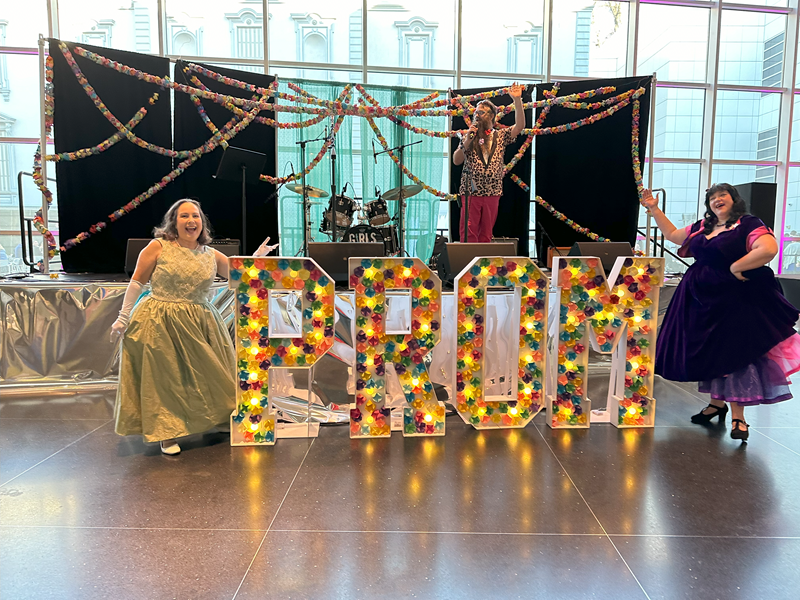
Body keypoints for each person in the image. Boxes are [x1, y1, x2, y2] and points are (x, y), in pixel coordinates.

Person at [111, 199, 277, 455]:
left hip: (200, 320)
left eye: (196, 216)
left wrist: (256, 258)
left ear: (202, 222)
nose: (191, 221)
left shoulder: (210, 254)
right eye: (184, 216)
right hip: (160, 319)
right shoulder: (157, 247)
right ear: (173, 222)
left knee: (211, 373)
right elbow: (136, 283)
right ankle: (167, 431)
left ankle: (218, 417)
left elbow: (239, 273)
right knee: (166, 378)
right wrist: (122, 318)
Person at [643, 184, 800, 441]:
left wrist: (737, 266)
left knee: (734, 353)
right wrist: (654, 208)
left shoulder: (747, 224)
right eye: (712, 198)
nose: (717, 201)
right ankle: (717, 404)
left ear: (733, 199)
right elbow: (672, 234)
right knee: (710, 351)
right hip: (700, 299)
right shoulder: (703, 227)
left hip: (735, 300)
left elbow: (768, 249)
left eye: (722, 196)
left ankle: (739, 416)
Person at [452, 82, 526, 243]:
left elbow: (520, 126)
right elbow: (456, 161)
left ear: (492, 116)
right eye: (476, 113)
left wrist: (517, 101)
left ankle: (482, 266)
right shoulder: (468, 136)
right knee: (468, 234)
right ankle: (467, 264)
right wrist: (467, 140)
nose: (478, 116)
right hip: (471, 192)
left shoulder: (500, 135)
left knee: (486, 234)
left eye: (482, 113)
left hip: (493, 191)